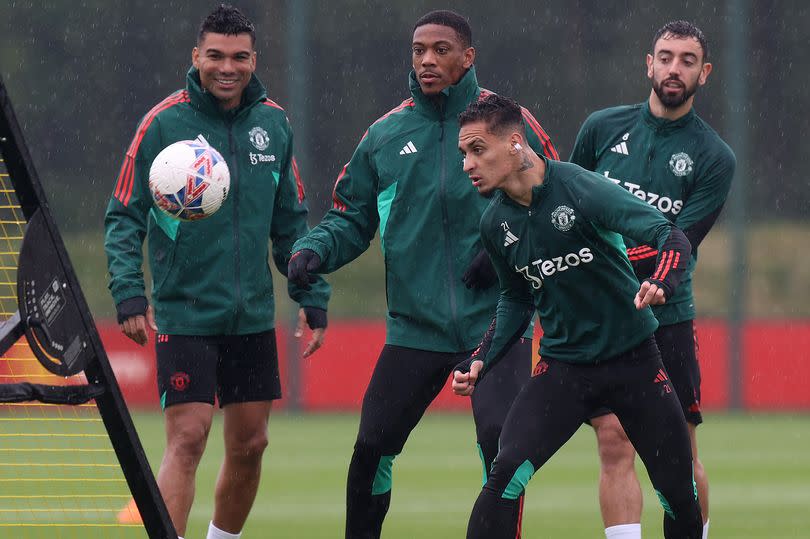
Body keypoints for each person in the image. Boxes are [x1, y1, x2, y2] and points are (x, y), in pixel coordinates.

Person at [287, 10, 558, 538]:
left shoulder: (508, 124)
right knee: (371, 449)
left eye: (440, 49)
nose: (427, 60)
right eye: (418, 50)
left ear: (468, 57)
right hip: (415, 328)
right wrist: (315, 251)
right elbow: (350, 217)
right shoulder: (385, 136)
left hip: (495, 324)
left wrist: (504, 247)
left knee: (501, 444)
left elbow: (554, 200)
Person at [104, 6, 330, 539]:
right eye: (215, 56)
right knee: (187, 438)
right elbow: (123, 215)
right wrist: (129, 293)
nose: (227, 68)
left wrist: (311, 294)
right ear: (195, 57)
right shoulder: (163, 123)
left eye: (239, 57)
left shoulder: (273, 123)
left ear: (254, 59)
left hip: (250, 313)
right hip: (185, 312)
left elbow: (291, 224)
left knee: (251, 445)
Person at [452, 93, 701, 539]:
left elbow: (670, 235)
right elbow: (515, 299)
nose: (468, 164)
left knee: (678, 495)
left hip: (635, 364)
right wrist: (481, 357)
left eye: (477, 150)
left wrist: (662, 281)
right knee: (504, 474)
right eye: (464, 154)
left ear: (514, 143)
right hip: (562, 371)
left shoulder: (579, 187)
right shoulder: (494, 225)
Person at [569, 20, 735, 539]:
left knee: (678, 454)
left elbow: (679, 243)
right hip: (602, 314)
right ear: (648, 63)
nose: (673, 68)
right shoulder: (601, 128)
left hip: (667, 317)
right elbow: (568, 206)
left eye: (687, 60)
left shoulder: (714, 156)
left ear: (704, 73)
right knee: (613, 440)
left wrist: (610, 252)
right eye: (665, 57)